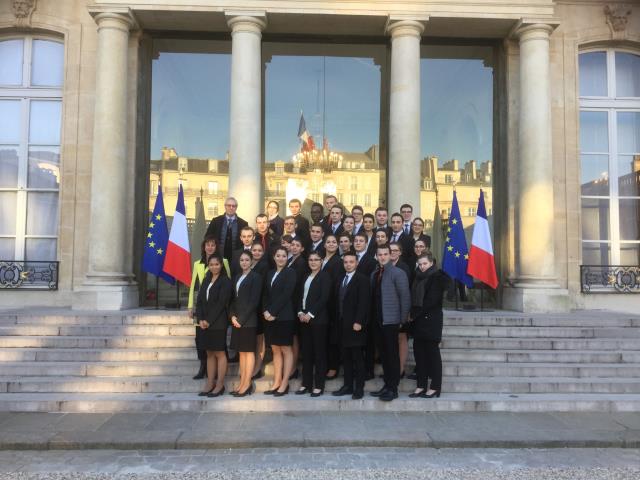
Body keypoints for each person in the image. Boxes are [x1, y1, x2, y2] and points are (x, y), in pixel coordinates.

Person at [369, 244, 410, 402]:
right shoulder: (375, 274)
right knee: (384, 356)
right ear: (377, 256)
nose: (383, 257)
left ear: (390, 255)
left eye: (386, 254)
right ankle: (386, 385)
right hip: (378, 321)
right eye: (380, 254)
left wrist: (402, 319)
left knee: (392, 356)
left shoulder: (398, 273)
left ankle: (393, 389)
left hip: (392, 321)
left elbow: (405, 298)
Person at [188, 236, 230, 380]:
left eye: (213, 245)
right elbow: (194, 286)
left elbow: (226, 286)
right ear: (204, 247)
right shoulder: (198, 264)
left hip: (217, 314)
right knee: (200, 339)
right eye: (207, 245)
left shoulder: (224, 262)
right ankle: (203, 366)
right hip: (202, 309)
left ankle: (219, 370)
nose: (210, 247)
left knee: (218, 344)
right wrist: (190, 306)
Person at [409, 252, 448, 398]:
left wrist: (414, 313)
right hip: (418, 322)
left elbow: (431, 301)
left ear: (431, 263)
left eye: (425, 264)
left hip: (431, 321)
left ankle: (435, 387)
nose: (422, 266)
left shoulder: (437, 277)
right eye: (420, 264)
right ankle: (421, 385)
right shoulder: (417, 277)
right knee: (419, 356)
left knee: (432, 356)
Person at [332, 252, 370, 400]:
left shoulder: (363, 280)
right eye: (346, 262)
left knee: (357, 358)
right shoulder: (340, 278)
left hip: (355, 325)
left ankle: (359, 388)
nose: (348, 264)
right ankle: (347, 386)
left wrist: (359, 322)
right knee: (346, 357)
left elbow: (364, 303)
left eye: (351, 262)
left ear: (357, 263)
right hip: (342, 324)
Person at [195, 255, 233, 397]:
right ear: (208, 266)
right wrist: (201, 319)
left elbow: (221, 303)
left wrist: (209, 320)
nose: (214, 267)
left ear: (221, 266)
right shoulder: (205, 280)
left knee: (219, 353)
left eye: (217, 264)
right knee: (209, 353)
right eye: (211, 264)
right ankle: (210, 383)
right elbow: (199, 301)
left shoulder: (225, 281)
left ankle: (220, 384)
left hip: (218, 323)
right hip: (204, 323)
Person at [263, 247, 297, 396]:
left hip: (285, 316)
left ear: (287, 257)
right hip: (270, 317)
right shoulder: (270, 273)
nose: (281, 258)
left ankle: (284, 383)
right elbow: (265, 294)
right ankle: (276, 381)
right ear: (274, 257)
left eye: (284, 255)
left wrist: (273, 312)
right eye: (278, 255)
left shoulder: (290, 273)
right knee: (276, 349)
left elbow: (286, 294)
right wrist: (266, 311)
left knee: (286, 349)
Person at [296, 251, 331, 396]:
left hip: (318, 320)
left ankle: (319, 385)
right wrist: (300, 312)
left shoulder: (325, 276)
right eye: (310, 259)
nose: (313, 262)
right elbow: (300, 296)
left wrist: (310, 314)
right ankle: (306, 383)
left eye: (316, 259)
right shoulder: (305, 276)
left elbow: (324, 298)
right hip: (303, 319)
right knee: (307, 353)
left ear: (321, 261)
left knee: (319, 353)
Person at [229, 251, 262, 396]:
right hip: (237, 321)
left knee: (248, 353)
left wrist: (241, 320)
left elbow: (254, 302)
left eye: (247, 260)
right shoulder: (236, 277)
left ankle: (247, 384)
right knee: (241, 353)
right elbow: (233, 300)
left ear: (251, 261)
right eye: (241, 260)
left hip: (248, 321)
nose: (244, 262)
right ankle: (242, 382)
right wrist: (232, 317)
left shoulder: (256, 277)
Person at [321, 234, 345, 380]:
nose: (331, 244)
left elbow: (336, 284)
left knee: (332, 337)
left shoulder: (338, 261)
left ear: (337, 245)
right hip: (320, 304)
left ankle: (333, 367)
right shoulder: (320, 259)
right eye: (328, 242)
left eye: (333, 242)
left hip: (332, 303)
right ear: (324, 245)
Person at [287, 237, 310, 379]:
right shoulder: (290, 261)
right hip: (289, 303)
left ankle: (293, 368)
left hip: (296, 303)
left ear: (302, 249)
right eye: (292, 245)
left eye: (297, 245)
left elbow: (298, 285)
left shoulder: (301, 263)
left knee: (295, 338)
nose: (294, 247)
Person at [389, 241, 412, 379]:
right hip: (388, 310)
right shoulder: (384, 266)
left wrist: (406, 312)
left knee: (401, 337)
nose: (392, 252)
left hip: (400, 308)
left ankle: (401, 369)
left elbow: (405, 292)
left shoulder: (403, 267)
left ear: (400, 252)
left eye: (395, 250)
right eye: (390, 250)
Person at [205, 197, 249, 261]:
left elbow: (245, 242)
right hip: (218, 258)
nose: (231, 208)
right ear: (225, 206)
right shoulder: (216, 221)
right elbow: (207, 238)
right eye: (229, 205)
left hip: (237, 259)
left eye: (233, 206)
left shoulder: (243, 224)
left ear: (236, 207)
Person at [249, 242, 269, 380]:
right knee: (252, 339)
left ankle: (258, 367)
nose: (256, 253)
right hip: (249, 308)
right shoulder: (246, 263)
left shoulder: (265, 266)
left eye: (259, 250)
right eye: (254, 250)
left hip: (260, 305)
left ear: (263, 252)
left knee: (260, 338)